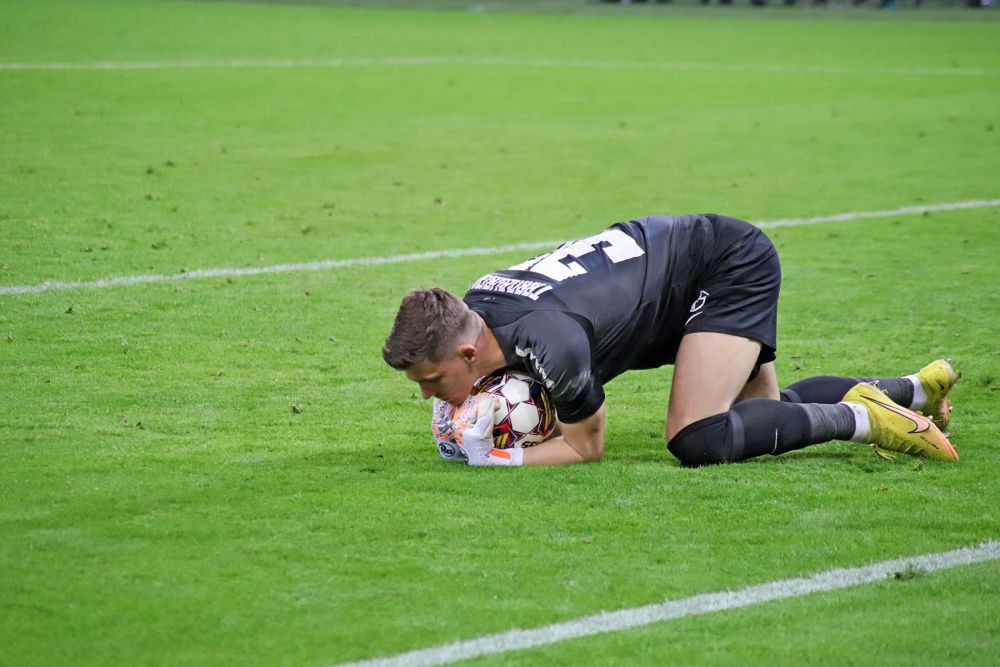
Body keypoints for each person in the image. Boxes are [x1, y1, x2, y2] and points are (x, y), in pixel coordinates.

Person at [382, 213, 960, 467]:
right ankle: (915, 390)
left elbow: (587, 448)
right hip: (675, 266)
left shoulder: (549, 340)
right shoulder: (477, 308)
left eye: (432, 381)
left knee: (697, 438)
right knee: (758, 419)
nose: (430, 396)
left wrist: (496, 459)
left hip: (721, 267)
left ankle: (865, 419)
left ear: (464, 353)